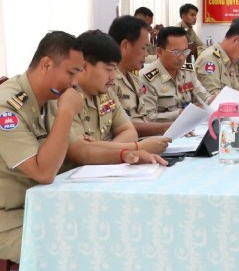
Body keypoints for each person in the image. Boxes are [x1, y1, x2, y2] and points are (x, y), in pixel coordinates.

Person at [0, 32, 163, 271]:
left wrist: (121, 152)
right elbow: (43, 171)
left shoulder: (50, 97)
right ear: (47, 63)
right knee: (75, 240)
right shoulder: (4, 108)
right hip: (0, 219)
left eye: (78, 72)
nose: (74, 81)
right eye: (71, 72)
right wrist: (66, 112)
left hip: (44, 207)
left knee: (111, 227)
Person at [49, 30, 170, 172]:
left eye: (114, 69)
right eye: (108, 69)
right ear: (84, 66)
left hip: (103, 171)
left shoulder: (106, 92)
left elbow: (129, 131)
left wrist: (102, 150)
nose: (113, 76)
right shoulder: (65, 96)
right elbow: (78, 151)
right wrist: (136, 148)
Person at [108, 16, 170, 136]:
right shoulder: (109, 81)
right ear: (125, 45)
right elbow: (118, 126)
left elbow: (144, 118)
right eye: (143, 48)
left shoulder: (134, 78)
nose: (146, 54)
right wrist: (163, 128)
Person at [140, 26, 212, 122]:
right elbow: (148, 117)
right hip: (162, 133)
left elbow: (204, 97)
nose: (182, 58)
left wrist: (213, 100)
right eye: (176, 52)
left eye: (185, 51)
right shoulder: (146, 78)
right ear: (160, 51)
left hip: (190, 130)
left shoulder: (188, 71)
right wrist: (179, 114)